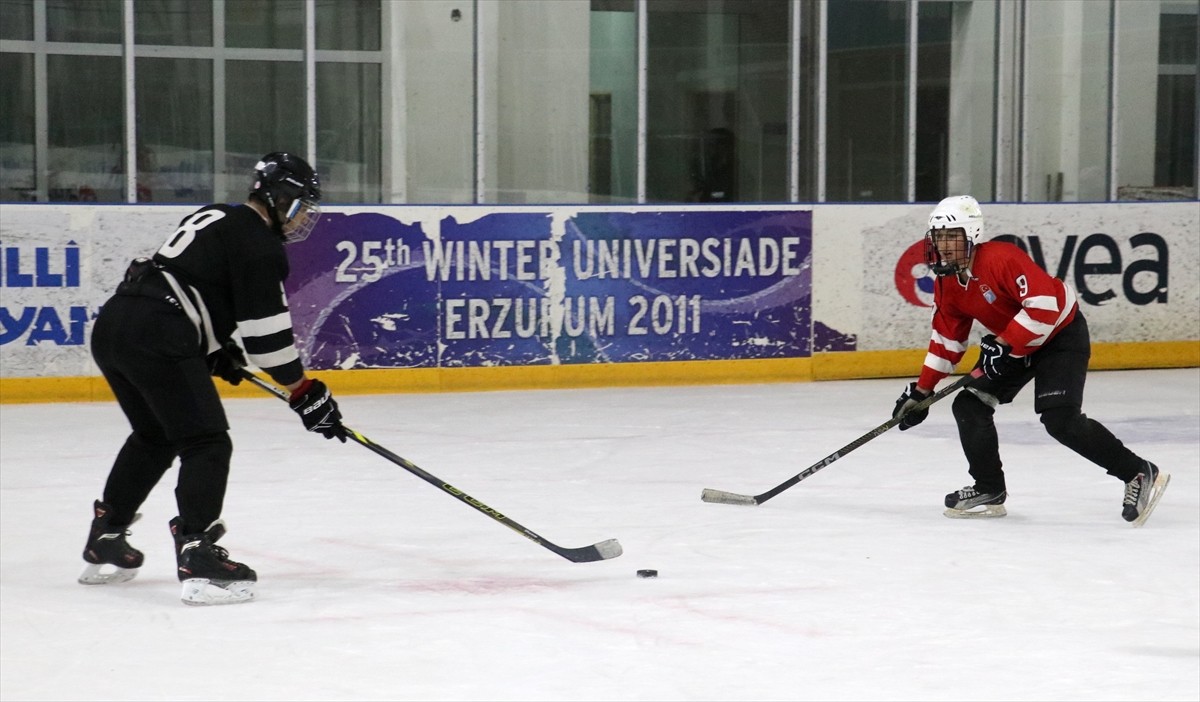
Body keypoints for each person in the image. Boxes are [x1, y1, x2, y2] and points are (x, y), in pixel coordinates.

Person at [79, 152, 348, 606]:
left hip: (116, 325)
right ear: (278, 197)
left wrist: (214, 348)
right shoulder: (261, 245)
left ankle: (106, 535)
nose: (303, 217)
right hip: (159, 332)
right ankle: (197, 552)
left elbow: (188, 285)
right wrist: (304, 391)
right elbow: (268, 342)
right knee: (207, 442)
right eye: (300, 204)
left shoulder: (217, 217)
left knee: (156, 435)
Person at [891, 195, 1169, 524]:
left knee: (1060, 421)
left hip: (1059, 336)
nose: (944, 246)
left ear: (972, 236)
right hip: (1019, 344)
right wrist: (922, 391)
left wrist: (1004, 343)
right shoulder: (947, 284)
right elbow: (947, 340)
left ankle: (1137, 472)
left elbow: (1045, 308)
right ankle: (989, 488)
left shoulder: (1001, 258)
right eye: (939, 237)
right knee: (969, 405)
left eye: (952, 236)